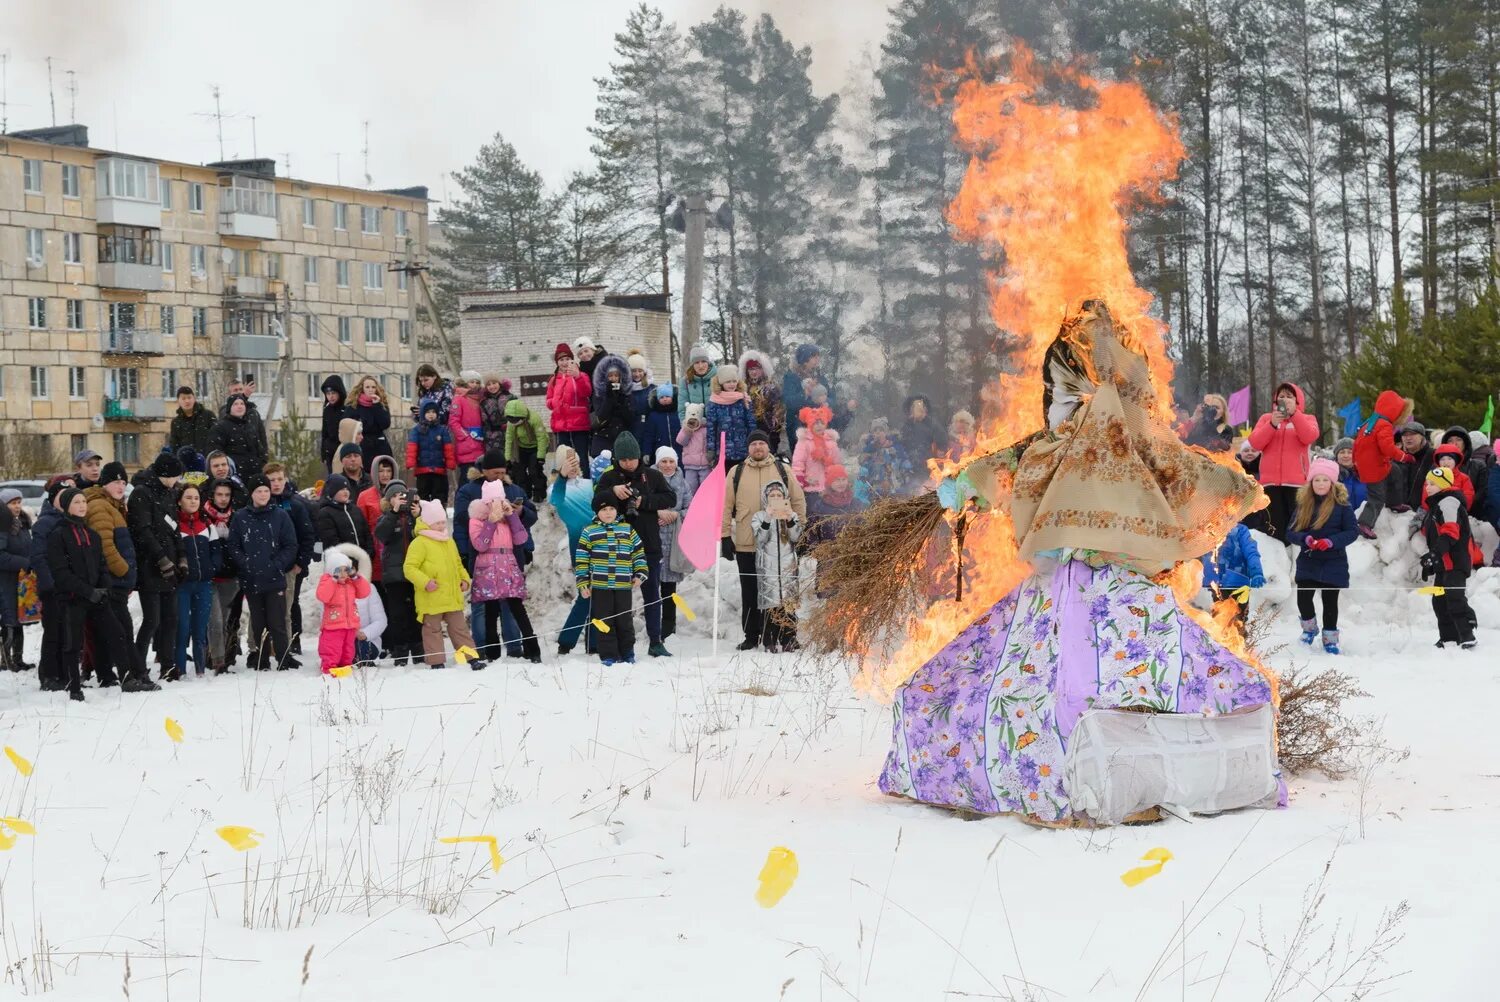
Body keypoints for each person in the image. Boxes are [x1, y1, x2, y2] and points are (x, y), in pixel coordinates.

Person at [593, 432, 677, 658]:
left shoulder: (652, 475)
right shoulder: (609, 478)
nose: (628, 463)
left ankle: (656, 641)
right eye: (623, 460)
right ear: (617, 460)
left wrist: (644, 501)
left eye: (631, 459)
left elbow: (671, 498)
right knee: (614, 599)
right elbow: (595, 503)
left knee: (652, 596)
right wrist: (611, 492)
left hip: (648, 545)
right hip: (616, 549)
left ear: (639, 457)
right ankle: (610, 644)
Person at [721, 432, 806, 650]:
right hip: (747, 542)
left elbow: (797, 500)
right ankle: (752, 635)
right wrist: (724, 536)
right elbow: (725, 505)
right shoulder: (736, 472)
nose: (758, 447)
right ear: (748, 448)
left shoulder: (782, 469)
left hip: (779, 545)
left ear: (768, 447)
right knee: (750, 591)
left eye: (761, 443)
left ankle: (787, 635)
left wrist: (800, 530)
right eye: (754, 444)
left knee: (782, 590)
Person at [47, 487, 131, 700]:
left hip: (97, 598)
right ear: (66, 506)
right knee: (72, 644)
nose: (82, 506)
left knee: (117, 634)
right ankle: (74, 687)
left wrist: (104, 588)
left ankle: (128, 679)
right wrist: (87, 591)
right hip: (73, 599)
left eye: (83, 501)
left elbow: (102, 565)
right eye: (76, 502)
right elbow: (61, 573)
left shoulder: (91, 534)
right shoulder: (58, 534)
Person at [455, 451, 537, 659]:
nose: (500, 476)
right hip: (481, 553)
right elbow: (462, 522)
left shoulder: (514, 489)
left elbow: (530, 516)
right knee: (483, 606)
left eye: (503, 472)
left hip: (511, 554)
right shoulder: (468, 491)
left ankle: (515, 647)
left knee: (511, 604)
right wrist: (463, 553)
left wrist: (518, 514)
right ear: (484, 471)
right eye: (495, 472)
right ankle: (482, 649)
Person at [85, 462, 159, 691]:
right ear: (104, 483)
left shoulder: (114, 506)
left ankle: (126, 675)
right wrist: (124, 571)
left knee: (118, 632)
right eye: (116, 482)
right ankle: (131, 676)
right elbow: (105, 546)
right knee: (122, 633)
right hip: (111, 581)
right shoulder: (100, 506)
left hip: (115, 582)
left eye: (123, 482)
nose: (121, 486)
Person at [1285, 457, 1358, 655]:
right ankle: (1309, 630)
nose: (1320, 484)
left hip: (1334, 561)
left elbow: (1352, 531)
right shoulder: (1303, 505)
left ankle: (1330, 639)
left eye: (1325, 480)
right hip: (1308, 559)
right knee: (1303, 599)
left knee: (1330, 602)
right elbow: (1290, 532)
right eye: (1316, 480)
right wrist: (1305, 539)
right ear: (1310, 483)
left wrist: (1331, 542)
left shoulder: (1342, 506)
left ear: (1333, 482)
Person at [229, 476, 300, 671]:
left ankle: (283, 659)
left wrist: (277, 564)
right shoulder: (241, 517)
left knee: (277, 622)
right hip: (252, 578)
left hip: (275, 577)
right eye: (259, 491)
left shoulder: (280, 516)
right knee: (259, 622)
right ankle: (262, 659)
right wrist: (246, 563)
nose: (263, 495)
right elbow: (234, 546)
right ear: (252, 494)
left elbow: (290, 545)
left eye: (266, 491)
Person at [469, 478, 541, 664]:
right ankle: (492, 653)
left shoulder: (508, 520)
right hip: (488, 567)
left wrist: (513, 517)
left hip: (508, 564)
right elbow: (480, 545)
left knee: (517, 607)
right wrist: (491, 522)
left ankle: (532, 649)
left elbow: (521, 539)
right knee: (491, 610)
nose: (499, 505)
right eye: (494, 501)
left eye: (501, 501)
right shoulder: (477, 521)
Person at [127, 452, 185, 681]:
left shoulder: (170, 493)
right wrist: (161, 558)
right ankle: (138, 667)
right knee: (152, 620)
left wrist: (181, 557)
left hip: (170, 565)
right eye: (175, 476)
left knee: (171, 618)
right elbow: (143, 531)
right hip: (150, 566)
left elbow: (175, 526)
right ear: (165, 474)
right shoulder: (142, 493)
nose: (178, 480)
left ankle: (168, 666)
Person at [404, 499, 478, 669]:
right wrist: (426, 582)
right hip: (431, 597)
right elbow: (409, 568)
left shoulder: (448, 541)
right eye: (437, 522)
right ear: (428, 523)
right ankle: (436, 663)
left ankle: (471, 658)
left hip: (451, 596)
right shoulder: (419, 543)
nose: (441, 525)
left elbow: (458, 564)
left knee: (460, 629)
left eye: (443, 522)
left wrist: (464, 580)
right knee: (432, 631)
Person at [574, 494, 646, 666]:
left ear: (617, 510)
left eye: (612, 509)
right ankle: (608, 654)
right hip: (600, 585)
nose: (608, 513)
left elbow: (638, 553)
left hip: (623, 584)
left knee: (624, 620)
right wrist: (583, 583)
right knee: (604, 621)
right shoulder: (589, 532)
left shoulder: (627, 529)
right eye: (604, 510)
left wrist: (640, 573)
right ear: (597, 512)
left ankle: (627, 652)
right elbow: (582, 559)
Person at [1248, 382, 1320, 541]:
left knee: (1298, 526)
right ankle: (1278, 561)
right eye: (1281, 397)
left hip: (1297, 484)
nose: (1285, 400)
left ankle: (1298, 560)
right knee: (1274, 529)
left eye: (1289, 397)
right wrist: (1272, 424)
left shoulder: (1307, 418)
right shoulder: (1267, 418)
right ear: (1275, 401)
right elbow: (1255, 443)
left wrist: (1295, 415)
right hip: (1270, 484)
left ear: (1297, 400)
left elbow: (1309, 436)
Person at [1420, 467, 1479, 650]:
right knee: (1439, 600)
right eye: (1427, 484)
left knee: (1454, 597)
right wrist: (1431, 561)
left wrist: (1435, 554)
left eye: (1432, 484)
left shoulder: (1449, 502)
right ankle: (1448, 638)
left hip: (1455, 562)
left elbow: (1450, 531)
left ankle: (1467, 635)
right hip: (1443, 564)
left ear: (1444, 484)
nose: (1428, 487)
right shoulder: (1436, 504)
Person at [550, 445, 596, 657]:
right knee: (586, 595)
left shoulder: (589, 484)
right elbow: (556, 501)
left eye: (576, 462)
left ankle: (593, 642)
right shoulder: (556, 489)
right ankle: (566, 641)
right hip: (581, 548)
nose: (573, 466)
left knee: (600, 596)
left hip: (601, 545)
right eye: (568, 463)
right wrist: (562, 476)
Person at [265, 463, 315, 655]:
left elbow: (307, 535)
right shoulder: (262, 501)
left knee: (291, 603)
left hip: (292, 565)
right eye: (272, 480)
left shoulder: (295, 504)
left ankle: (294, 640)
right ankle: (270, 642)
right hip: (268, 565)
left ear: (285, 479)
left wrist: (301, 562)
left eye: (279, 479)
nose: (276, 484)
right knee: (270, 604)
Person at [29, 477, 74, 689]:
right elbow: (38, 556)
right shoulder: (45, 523)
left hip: (68, 586)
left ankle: (64, 674)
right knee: (53, 633)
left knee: (67, 632)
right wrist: (49, 585)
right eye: (61, 496)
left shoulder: (70, 520)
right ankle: (48, 675)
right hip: (53, 588)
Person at [173, 482, 221, 677]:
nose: (193, 501)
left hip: (203, 585)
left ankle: (200, 670)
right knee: (183, 628)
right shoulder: (174, 525)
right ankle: (180, 669)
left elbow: (217, 552)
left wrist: (211, 569)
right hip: (182, 586)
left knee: (200, 630)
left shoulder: (207, 525)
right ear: (179, 501)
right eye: (188, 497)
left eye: (196, 498)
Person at [1352, 390, 1414, 538]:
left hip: (1374, 465)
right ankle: (1365, 523)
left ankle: (1394, 502)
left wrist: (1356, 465)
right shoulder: (1384, 425)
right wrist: (1404, 456)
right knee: (1377, 498)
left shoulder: (1370, 422)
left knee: (1395, 473)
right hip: (1374, 469)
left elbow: (1356, 445)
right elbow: (1388, 448)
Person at [751, 481, 803, 652]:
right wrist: (768, 517)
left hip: (788, 565)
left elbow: (796, 538)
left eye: (778, 496)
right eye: (772, 496)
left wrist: (789, 519)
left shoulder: (792, 515)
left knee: (788, 603)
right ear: (766, 498)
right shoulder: (759, 516)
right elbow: (760, 539)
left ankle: (789, 639)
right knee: (770, 603)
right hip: (768, 566)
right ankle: (769, 640)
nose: (775, 498)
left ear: (784, 497)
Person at [373, 483, 422, 665]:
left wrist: (418, 516)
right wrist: (393, 513)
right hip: (394, 576)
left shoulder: (414, 517)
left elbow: (425, 534)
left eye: (404, 495)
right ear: (389, 500)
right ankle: (400, 651)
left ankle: (418, 648)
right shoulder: (385, 517)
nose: (401, 499)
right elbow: (381, 535)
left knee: (416, 613)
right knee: (397, 614)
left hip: (415, 574)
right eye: (396, 496)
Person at [1199, 520, 1265, 639]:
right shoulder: (1207, 529)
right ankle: (1224, 648)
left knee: (1237, 619)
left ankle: (1236, 647)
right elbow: (1201, 553)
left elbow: (1250, 551)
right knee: (1221, 619)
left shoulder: (1240, 530)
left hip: (1238, 582)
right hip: (1218, 583)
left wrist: (1256, 572)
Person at [804, 465, 864, 594]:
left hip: (851, 558)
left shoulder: (856, 504)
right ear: (829, 482)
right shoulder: (819, 506)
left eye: (843, 479)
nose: (841, 483)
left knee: (851, 597)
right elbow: (811, 533)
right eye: (836, 480)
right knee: (829, 597)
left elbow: (865, 528)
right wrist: (818, 550)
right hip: (828, 560)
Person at [653, 448, 692, 641]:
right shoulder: (648, 479)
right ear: (658, 462)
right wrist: (657, 513)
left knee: (669, 588)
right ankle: (653, 626)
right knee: (652, 585)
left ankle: (668, 628)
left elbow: (690, 508)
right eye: (664, 461)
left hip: (674, 540)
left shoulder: (683, 483)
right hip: (653, 538)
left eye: (671, 461)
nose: (667, 465)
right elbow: (640, 504)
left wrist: (676, 515)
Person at [204, 478, 241, 672]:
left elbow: (240, 546)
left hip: (230, 577)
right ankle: (218, 661)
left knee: (225, 620)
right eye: (219, 494)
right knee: (215, 620)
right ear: (212, 495)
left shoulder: (236, 517)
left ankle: (216, 655)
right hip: (209, 577)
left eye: (227, 495)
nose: (223, 499)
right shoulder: (203, 516)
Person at [315, 547, 372, 673]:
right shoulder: (327, 581)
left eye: (345, 570)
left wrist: (356, 577)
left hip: (350, 625)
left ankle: (345, 666)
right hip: (333, 625)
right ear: (331, 571)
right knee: (331, 648)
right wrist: (333, 580)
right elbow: (322, 596)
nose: (342, 574)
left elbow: (364, 592)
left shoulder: (351, 583)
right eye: (338, 570)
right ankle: (329, 668)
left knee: (348, 650)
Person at [0, 488, 34, 672]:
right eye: (12, 503)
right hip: (6, 579)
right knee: (8, 618)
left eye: (19, 502)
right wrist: (24, 562)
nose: (17, 506)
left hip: (22, 579)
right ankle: (5, 659)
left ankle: (18, 658)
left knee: (19, 617)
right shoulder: (3, 526)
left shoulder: (23, 523)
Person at [791, 405, 843, 507]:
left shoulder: (831, 442)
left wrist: (828, 460)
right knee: (813, 516)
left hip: (829, 488)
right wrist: (803, 482)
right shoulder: (804, 442)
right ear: (810, 425)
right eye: (815, 423)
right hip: (811, 488)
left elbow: (837, 464)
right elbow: (797, 465)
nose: (819, 426)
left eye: (822, 423)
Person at [547, 344, 593, 457]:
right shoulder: (553, 379)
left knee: (581, 458)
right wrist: (553, 402)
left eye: (567, 359)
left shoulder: (581, 375)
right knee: (564, 459)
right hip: (561, 426)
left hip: (579, 424)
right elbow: (548, 400)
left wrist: (577, 377)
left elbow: (587, 392)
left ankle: (584, 475)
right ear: (557, 362)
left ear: (572, 360)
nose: (564, 362)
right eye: (561, 360)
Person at [407, 400, 456, 504]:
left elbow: (448, 448)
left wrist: (450, 463)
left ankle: (439, 515)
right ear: (422, 414)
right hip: (422, 469)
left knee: (439, 497)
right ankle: (422, 517)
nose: (431, 415)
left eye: (433, 412)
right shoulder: (417, 430)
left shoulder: (442, 430)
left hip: (439, 469)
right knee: (422, 497)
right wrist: (410, 463)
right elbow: (412, 447)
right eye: (428, 412)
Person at [705, 364, 755, 468]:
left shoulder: (743, 399)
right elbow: (711, 428)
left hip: (742, 449)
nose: (732, 384)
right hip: (723, 451)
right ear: (721, 383)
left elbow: (751, 423)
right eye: (728, 382)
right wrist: (711, 449)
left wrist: (753, 442)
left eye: (734, 381)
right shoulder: (714, 402)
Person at [211, 394, 268, 482]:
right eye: (236, 404)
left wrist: (261, 463)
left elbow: (260, 449)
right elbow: (216, 453)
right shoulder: (220, 427)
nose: (240, 406)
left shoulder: (250, 427)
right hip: (234, 476)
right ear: (229, 408)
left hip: (254, 474)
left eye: (242, 404)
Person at [315, 475, 375, 555]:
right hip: (342, 563)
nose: (346, 492)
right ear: (333, 491)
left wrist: (368, 555)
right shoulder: (325, 513)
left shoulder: (355, 509)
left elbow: (367, 534)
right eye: (342, 489)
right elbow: (331, 542)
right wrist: (349, 562)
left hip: (363, 560)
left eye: (347, 489)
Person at [739, 350, 786, 455]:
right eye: (751, 369)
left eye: (757, 368)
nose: (754, 372)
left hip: (767, 431)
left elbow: (778, 410)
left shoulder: (771, 387)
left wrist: (775, 433)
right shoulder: (743, 388)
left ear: (763, 369)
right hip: (747, 431)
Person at [855, 418, 912, 501]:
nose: (878, 432)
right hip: (875, 490)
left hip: (895, 487)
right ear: (872, 434)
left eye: (881, 430)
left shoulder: (896, 447)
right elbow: (863, 469)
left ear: (886, 433)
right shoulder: (868, 450)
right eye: (875, 431)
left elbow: (904, 463)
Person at [503, 398, 549, 502]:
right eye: (511, 421)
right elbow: (509, 439)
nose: (514, 423)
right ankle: (524, 493)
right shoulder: (511, 423)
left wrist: (540, 456)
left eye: (516, 420)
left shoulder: (534, 419)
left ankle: (539, 492)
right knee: (519, 472)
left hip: (536, 447)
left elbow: (541, 438)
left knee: (534, 471)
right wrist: (507, 458)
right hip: (521, 447)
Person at [590, 353, 634, 457]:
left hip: (621, 438)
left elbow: (630, 418)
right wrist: (609, 398)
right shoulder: (598, 394)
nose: (613, 378)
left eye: (616, 375)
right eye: (610, 376)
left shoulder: (626, 393)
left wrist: (621, 399)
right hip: (603, 438)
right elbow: (601, 416)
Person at [1438, 425, 1487, 517]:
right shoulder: (1437, 466)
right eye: (1450, 440)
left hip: (1471, 516)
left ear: (1465, 443)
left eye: (1458, 439)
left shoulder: (1478, 465)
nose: (1454, 443)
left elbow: (1481, 493)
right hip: (1442, 515)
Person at [450, 371, 487, 481]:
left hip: (481, 442)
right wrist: (465, 437)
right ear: (465, 383)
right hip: (467, 444)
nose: (475, 385)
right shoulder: (459, 398)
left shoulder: (481, 399)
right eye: (471, 382)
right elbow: (453, 422)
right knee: (466, 479)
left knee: (480, 479)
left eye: (477, 382)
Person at [901, 395, 946, 486]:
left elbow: (942, 440)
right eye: (915, 407)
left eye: (920, 407)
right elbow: (902, 442)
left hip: (928, 464)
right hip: (911, 464)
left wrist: (940, 451)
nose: (918, 410)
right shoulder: (907, 425)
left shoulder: (932, 424)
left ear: (925, 409)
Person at [782, 344, 829, 429]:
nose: (817, 359)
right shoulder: (791, 377)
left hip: (818, 425)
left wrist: (825, 401)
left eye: (818, 356)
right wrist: (805, 393)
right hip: (798, 427)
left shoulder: (819, 376)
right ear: (804, 360)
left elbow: (831, 396)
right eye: (814, 356)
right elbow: (788, 402)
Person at [354, 375, 394, 468]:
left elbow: (385, 424)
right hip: (362, 446)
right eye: (367, 387)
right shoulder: (354, 405)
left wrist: (377, 406)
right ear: (362, 389)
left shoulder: (381, 404)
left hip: (380, 447)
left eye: (373, 387)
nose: (370, 390)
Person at [319, 375, 356, 472]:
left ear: (340, 392)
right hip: (330, 452)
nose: (330, 396)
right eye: (328, 393)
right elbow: (325, 433)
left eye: (333, 393)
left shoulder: (348, 409)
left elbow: (353, 432)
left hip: (345, 451)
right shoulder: (327, 410)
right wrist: (324, 453)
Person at [169, 386, 217, 455]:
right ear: (178, 401)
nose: (187, 401)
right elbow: (174, 446)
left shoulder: (208, 415)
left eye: (189, 397)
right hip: (186, 462)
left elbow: (216, 438)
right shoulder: (176, 422)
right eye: (183, 398)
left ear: (194, 399)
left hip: (207, 459)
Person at [676, 403, 711, 500]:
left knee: (705, 488)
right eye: (691, 421)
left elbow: (710, 442)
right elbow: (680, 441)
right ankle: (690, 506)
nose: (693, 423)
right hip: (690, 466)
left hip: (704, 465)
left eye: (695, 420)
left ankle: (705, 505)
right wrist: (688, 430)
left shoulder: (705, 430)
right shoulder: (685, 429)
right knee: (690, 488)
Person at [642, 384, 682, 465]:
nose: (665, 399)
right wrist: (647, 452)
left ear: (672, 397)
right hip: (660, 450)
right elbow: (649, 435)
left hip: (679, 449)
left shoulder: (678, 412)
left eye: (667, 396)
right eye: (661, 397)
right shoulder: (653, 415)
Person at [625, 352, 656, 452]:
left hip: (648, 426)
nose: (637, 374)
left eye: (640, 371)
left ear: (645, 372)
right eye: (633, 371)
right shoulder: (625, 388)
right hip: (630, 426)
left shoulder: (652, 388)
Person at [480, 375, 515, 456]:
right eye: (488, 384)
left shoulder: (510, 397)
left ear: (499, 383)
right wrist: (490, 436)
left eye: (494, 383)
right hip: (493, 438)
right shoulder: (484, 402)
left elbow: (518, 414)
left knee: (513, 462)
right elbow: (484, 421)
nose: (492, 386)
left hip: (511, 434)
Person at [678, 345, 716, 421]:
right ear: (692, 365)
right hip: (695, 425)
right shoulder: (685, 381)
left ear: (708, 362)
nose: (700, 366)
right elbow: (682, 407)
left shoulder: (717, 377)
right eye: (696, 362)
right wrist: (685, 424)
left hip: (716, 425)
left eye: (703, 361)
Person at [1332, 437, 1367, 517]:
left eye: (1350, 452)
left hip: (1364, 522)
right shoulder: (1331, 476)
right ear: (1336, 455)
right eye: (1342, 452)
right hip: (1339, 522)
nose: (1346, 455)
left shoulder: (1366, 474)